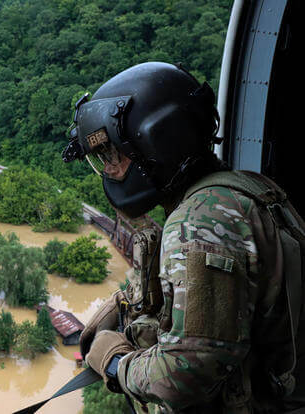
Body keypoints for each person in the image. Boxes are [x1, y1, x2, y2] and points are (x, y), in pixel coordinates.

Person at [62, 62, 305, 413]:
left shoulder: (197, 223)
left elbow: (183, 374)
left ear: (158, 142)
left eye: (112, 155)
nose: (110, 170)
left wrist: (115, 364)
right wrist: (128, 303)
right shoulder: (247, 189)